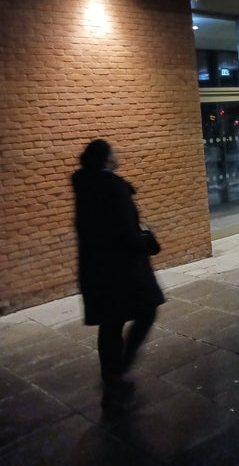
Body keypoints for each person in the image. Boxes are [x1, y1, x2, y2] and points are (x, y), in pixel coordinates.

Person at [71, 139, 165, 411]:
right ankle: (119, 370)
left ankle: (111, 379)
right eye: (115, 152)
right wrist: (147, 242)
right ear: (107, 160)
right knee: (147, 310)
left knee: (110, 323)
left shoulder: (84, 185)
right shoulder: (113, 188)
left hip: (96, 269)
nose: (119, 154)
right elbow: (125, 232)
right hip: (123, 270)